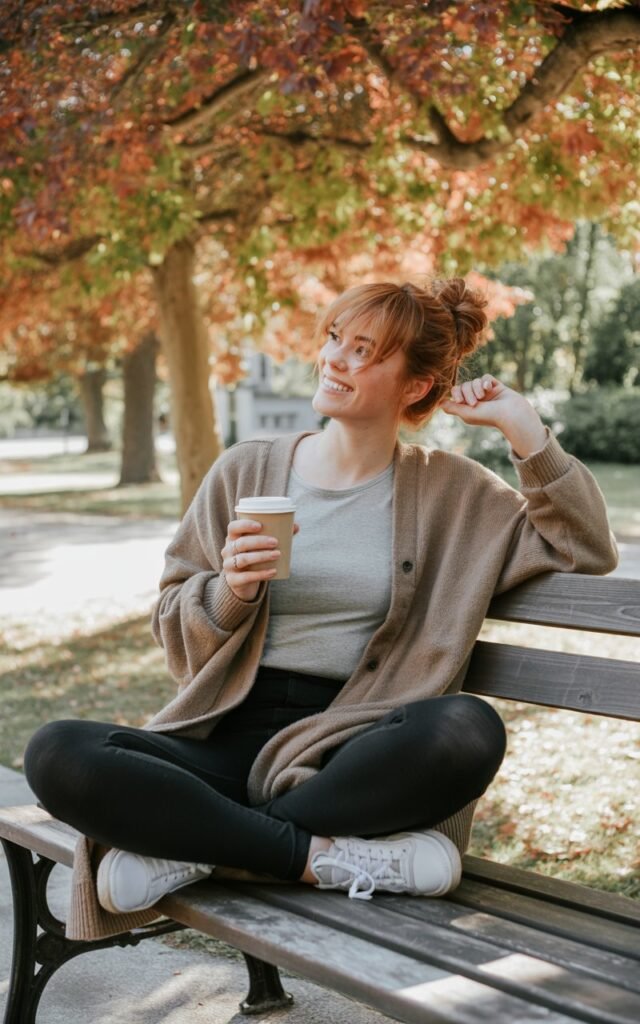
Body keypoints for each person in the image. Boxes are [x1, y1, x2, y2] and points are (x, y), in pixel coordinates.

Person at [24, 278, 618, 942]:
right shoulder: (244, 471)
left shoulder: (456, 495)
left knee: (468, 729)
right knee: (58, 752)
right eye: (335, 338)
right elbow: (172, 629)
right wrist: (231, 593)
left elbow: (585, 548)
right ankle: (315, 858)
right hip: (224, 739)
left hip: (349, 749)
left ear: (416, 387)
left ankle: (201, 844)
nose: (334, 358)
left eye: (363, 350)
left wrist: (524, 430)